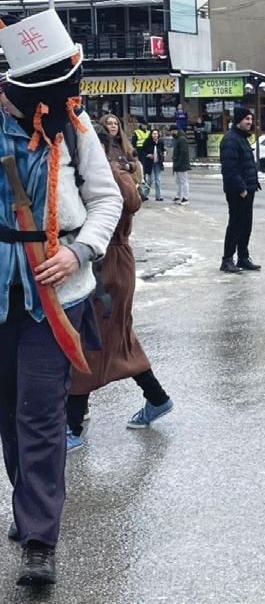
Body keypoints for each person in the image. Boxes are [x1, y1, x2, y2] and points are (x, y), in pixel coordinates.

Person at [0, 9, 122, 586]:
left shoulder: (74, 126)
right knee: (9, 413)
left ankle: (39, 540)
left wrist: (80, 252)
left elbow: (106, 199)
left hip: (56, 293)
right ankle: (29, 503)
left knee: (41, 413)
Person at [67, 128, 174, 447]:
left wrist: (110, 172)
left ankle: (73, 425)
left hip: (109, 265)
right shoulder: (84, 173)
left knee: (91, 336)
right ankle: (157, 397)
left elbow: (132, 201)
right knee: (116, 334)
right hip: (102, 263)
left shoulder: (110, 174)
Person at [220, 107, 261, 273]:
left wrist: (253, 184)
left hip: (248, 188)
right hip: (238, 191)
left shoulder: (242, 138)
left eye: (251, 119)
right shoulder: (231, 140)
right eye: (247, 119)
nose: (250, 122)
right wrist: (241, 188)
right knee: (236, 225)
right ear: (238, 120)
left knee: (246, 225)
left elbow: (247, 164)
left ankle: (243, 257)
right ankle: (227, 260)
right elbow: (229, 168)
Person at [139, 128, 165, 201]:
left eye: (156, 134)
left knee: (158, 180)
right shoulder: (147, 141)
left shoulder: (160, 142)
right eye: (153, 134)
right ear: (151, 134)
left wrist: (163, 153)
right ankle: (145, 194)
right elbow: (142, 151)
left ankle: (158, 196)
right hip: (150, 163)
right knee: (150, 180)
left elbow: (162, 150)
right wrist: (148, 155)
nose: (155, 135)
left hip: (158, 163)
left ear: (158, 134)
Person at [171, 127, 191, 205]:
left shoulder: (182, 139)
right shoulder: (179, 138)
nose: (171, 133)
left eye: (172, 131)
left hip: (182, 164)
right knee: (178, 181)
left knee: (183, 181)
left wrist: (178, 162)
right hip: (179, 164)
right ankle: (178, 196)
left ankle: (186, 198)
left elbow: (183, 153)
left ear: (175, 131)